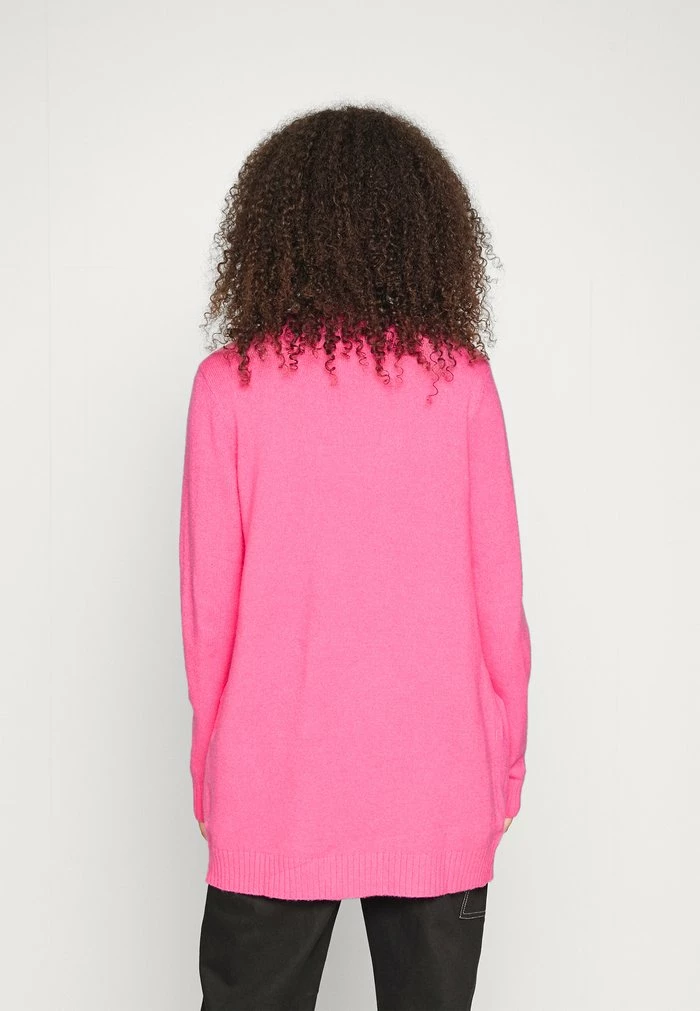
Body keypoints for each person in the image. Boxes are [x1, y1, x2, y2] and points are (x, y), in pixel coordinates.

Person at [179, 103, 532, 1011]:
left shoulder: (229, 387)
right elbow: (501, 606)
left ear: (271, 229)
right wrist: (506, 763)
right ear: (427, 229)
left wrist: (210, 767)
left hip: (271, 783)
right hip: (443, 782)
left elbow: (208, 616)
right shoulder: (464, 385)